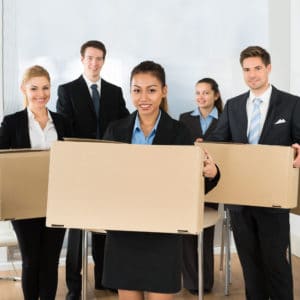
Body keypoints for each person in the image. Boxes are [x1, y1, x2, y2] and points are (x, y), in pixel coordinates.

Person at [102, 60, 220, 300]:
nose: (143, 97)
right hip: (124, 230)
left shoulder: (179, 132)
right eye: (137, 90)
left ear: (164, 91)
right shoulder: (115, 130)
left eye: (151, 89)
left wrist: (212, 174)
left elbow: (191, 185)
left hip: (163, 231)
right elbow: (104, 179)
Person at [209, 45, 300, 300]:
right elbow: (219, 140)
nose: (252, 75)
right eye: (246, 70)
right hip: (240, 201)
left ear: (268, 68)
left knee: (276, 265)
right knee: (250, 267)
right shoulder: (234, 106)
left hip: (274, 198)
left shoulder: (292, 104)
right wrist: (204, 144)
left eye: (257, 68)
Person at [56, 40, 129, 300]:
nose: (94, 63)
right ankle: (74, 287)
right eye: (90, 58)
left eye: (99, 58)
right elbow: (65, 128)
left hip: (108, 167)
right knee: (77, 229)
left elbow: (124, 124)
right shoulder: (67, 90)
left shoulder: (114, 91)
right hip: (80, 168)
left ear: (104, 61)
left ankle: (104, 278)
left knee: (105, 224)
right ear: (82, 59)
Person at [0, 65, 72, 300]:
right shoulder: (12, 123)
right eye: (34, 88)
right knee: (31, 260)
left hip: (57, 200)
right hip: (25, 203)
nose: (40, 94)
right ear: (23, 89)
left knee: (51, 260)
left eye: (45, 88)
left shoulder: (62, 122)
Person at [179, 77, 223, 294]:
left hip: (214, 182)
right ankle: (191, 282)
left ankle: (205, 282)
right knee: (188, 235)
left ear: (215, 95)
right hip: (189, 183)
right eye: (197, 93)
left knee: (205, 234)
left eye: (206, 92)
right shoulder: (184, 118)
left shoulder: (225, 118)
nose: (201, 97)